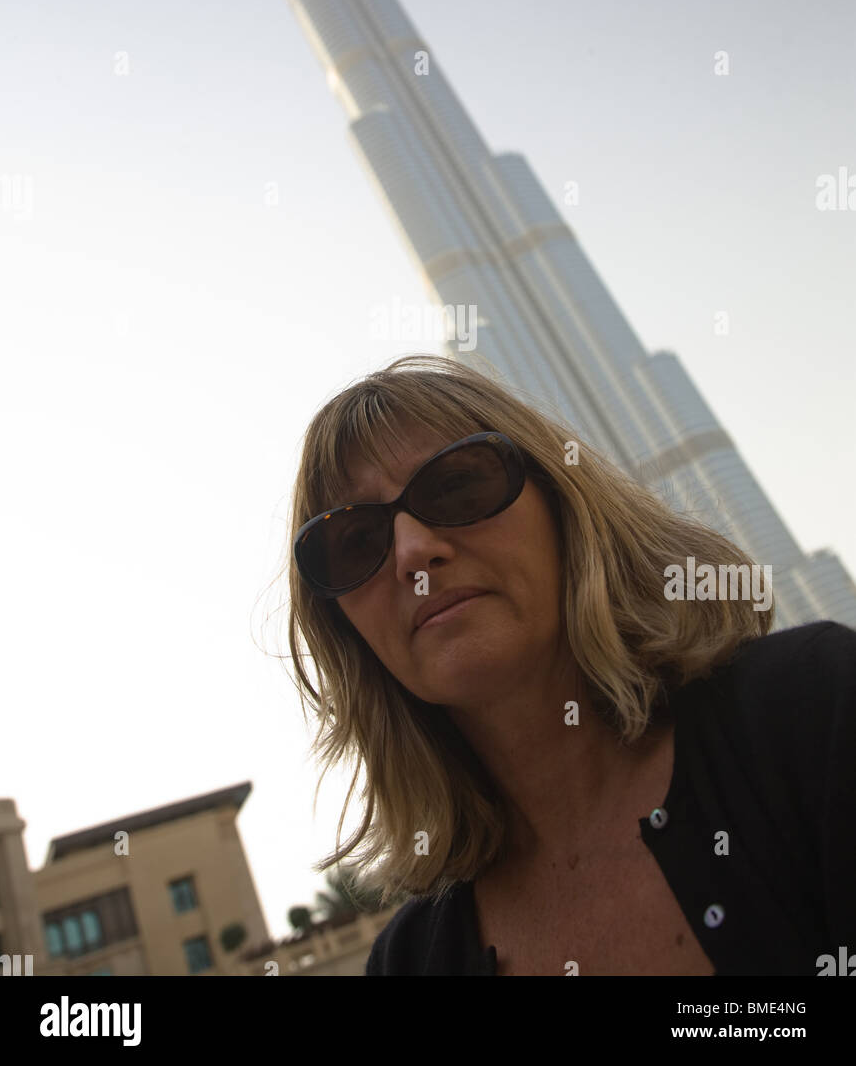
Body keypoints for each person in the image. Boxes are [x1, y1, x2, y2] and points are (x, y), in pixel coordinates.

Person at [284, 353, 856, 976]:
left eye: (457, 485)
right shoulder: (412, 963)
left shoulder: (811, 714)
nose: (415, 551)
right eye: (357, 542)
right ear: (347, 629)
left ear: (562, 502)